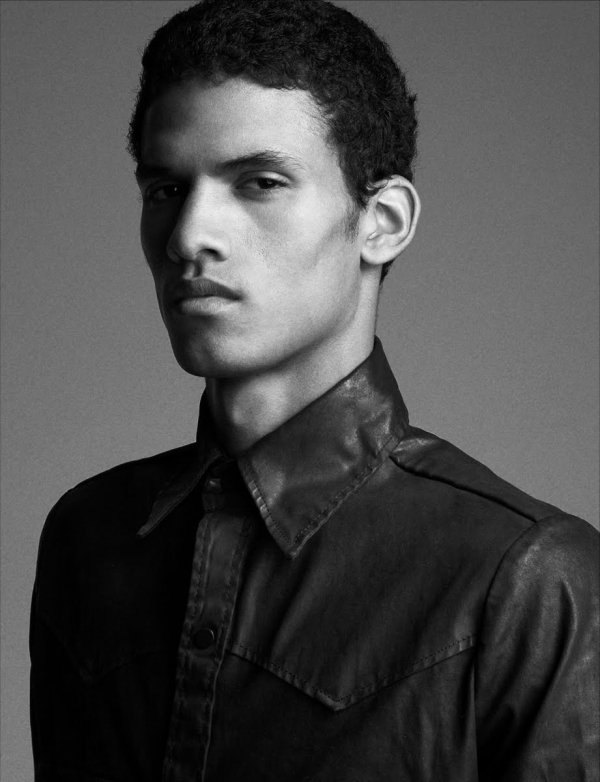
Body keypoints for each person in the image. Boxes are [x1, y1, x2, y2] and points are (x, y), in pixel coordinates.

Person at [29, 0, 599, 780]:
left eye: (259, 182)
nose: (189, 236)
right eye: (164, 190)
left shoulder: (528, 579)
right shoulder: (90, 537)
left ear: (382, 221)